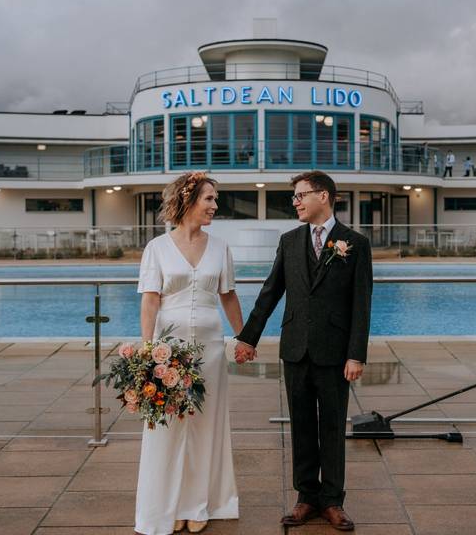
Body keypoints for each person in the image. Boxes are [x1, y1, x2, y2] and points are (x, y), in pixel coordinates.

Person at [235, 170, 372, 532]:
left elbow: (362, 304)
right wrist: (248, 337)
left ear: (323, 196)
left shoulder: (354, 243)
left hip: (334, 351)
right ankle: (306, 497)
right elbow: (270, 291)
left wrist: (356, 354)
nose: (295, 202)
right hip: (295, 349)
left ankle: (333, 501)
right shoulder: (289, 240)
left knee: (331, 426)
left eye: (301, 195)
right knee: (301, 427)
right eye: (294, 196)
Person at [135, 171, 242, 535]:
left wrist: (243, 337)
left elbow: (228, 295)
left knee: (204, 426)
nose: (215, 205)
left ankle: (197, 504)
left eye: (215, 199)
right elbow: (150, 300)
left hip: (210, 349)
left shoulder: (220, 247)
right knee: (167, 427)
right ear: (188, 200)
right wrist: (148, 350)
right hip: (169, 349)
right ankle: (166, 504)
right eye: (209, 199)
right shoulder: (157, 248)